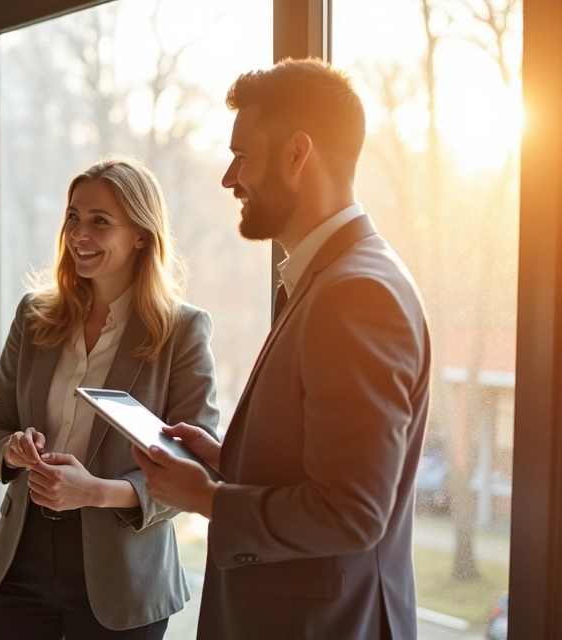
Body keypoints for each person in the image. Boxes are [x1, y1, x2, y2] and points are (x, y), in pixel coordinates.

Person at [131, 58, 431, 639]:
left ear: (298, 154)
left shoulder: (357, 294)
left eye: (242, 155)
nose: (228, 178)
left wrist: (206, 497)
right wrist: (227, 459)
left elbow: (351, 512)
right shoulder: (332, 278)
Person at [0, 157, 219, 639]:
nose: (78, 234)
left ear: (142, 235)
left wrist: (98, 492)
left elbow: (198, 461)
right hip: (22, 559)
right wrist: (11, 449)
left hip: (122, 573)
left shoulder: (181, 330)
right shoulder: (33, 315)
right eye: (73, 217)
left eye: (100, 221)